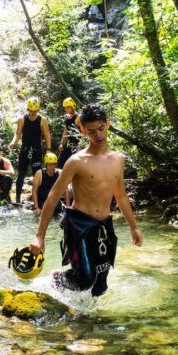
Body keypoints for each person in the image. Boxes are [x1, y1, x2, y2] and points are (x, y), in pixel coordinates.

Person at [28, 103, 143, 296]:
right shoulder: (76, 161)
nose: (98, 135)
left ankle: (87, 321)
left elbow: (121, 195)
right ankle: (57, 278)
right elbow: (53, 195)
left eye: (101, 128)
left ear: (108, 124)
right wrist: (39, 236)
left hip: (104, 225)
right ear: (82, 130)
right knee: (86, 278)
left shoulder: (118, 159)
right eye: (91, 132)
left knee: (100, 285)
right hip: (78, 225)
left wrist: (133, 226)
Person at [8, 97, 53, 203]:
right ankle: (18, 200)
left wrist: (48, 149)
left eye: (35, 111)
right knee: (21, 175)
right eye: (31, 110)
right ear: (28, 109)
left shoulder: (42, 120)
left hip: (37, 151)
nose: (33, 113)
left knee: (37, 175)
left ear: (38, 110)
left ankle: (37, 200)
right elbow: (18, 134)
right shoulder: (22, 119)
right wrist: (13, 143)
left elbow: (47, 135)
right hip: (24, 150)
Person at [32, 152, 68, 216]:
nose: (52, 167)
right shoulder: (39, 174)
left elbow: (65, 190)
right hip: (42, 205)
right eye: (50, 165)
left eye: (54, 164)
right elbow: (34, 191)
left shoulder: (60, 173)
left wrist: (68, 207)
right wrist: (36, 207)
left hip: (56, 204)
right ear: (46, 165)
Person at [58, 97, 84, 168]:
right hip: (69, 144)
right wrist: (61, 143)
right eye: (65, 107)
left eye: (67, 107)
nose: (65, 109)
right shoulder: (66, 117)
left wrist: (80, 146)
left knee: (75, 164)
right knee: (61, 162)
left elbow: (83, 132)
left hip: (77, 144)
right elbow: (66, 131)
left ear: (72, 107)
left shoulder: (78, 117)